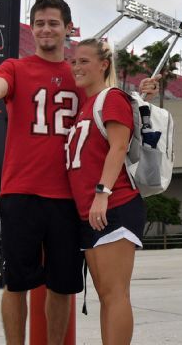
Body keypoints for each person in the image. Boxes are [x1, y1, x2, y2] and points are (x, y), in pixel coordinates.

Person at [0, 0, 83, 345]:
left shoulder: (80, 73)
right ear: (33, 29)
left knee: (62, 285)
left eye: (53, 23)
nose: (46, 29)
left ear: (68, 29)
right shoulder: (15, 68)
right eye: (40, 23)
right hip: (22, 192)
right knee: (15, 282)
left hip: (67, 196)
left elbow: (111, 107)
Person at [64, 38, 156, 345]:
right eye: (74, 61)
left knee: (115, 294)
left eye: (84, 61)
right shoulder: (86, 105)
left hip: (114, 205)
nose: (77, 66)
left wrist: (102, 192)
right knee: (105, 294)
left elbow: (119, 146)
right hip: (90, 212)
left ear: (103, 65)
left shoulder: (111, 97)